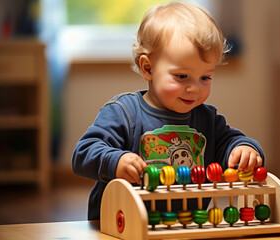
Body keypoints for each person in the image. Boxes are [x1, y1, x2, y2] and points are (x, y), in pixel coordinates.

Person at [72, 1, 265, 220]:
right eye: (182, 76)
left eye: (205, 77)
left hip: (184, 225)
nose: (194, 88)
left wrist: (244, 149)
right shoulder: (124, 113)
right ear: (148, 68)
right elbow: (83, 153)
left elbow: (230, 142)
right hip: (119, 225)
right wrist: (116, 161)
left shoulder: (206, 119)